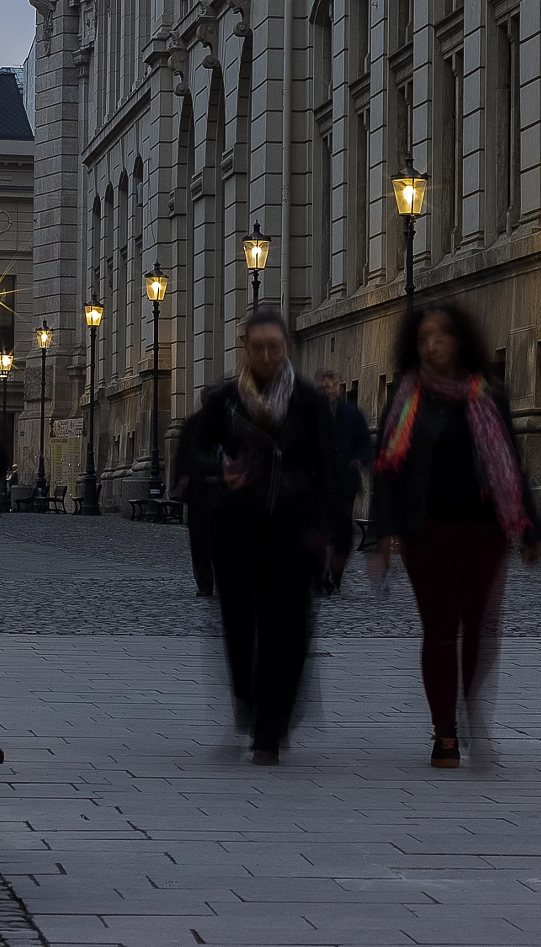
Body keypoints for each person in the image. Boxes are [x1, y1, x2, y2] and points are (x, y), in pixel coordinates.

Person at [366, 302, 541, 770]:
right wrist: (382, 536)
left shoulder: (488, 395)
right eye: (424, 337)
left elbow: (510, 464)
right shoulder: (405, 398)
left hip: (484, 529)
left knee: (481, 627)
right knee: (441, 629)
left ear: (460, 340)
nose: (432, 344)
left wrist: (531, 528)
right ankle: (444, 731)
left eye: (442, 335)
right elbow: (386, 470)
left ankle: (473, 713)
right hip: (427, 530)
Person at [189, 307, 349, 764]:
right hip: (235, 527)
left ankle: (271, 727)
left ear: (287, 348)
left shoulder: (309, 400)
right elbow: (195, 455)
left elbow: (329, 468)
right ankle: (247, 700)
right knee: (239, 622)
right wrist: (219, 468)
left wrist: (334, 532)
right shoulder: (225, 400)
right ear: (244, 348)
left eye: (273, 347)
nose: (265, 356)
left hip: (292, 527)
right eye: (257, 347)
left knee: (287, 627)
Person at [318, 370, 372, 592]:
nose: (327, 391)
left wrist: (359, 460)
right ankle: (319, 576)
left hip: (344, 482)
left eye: (330, 386)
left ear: (338, 388)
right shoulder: (312, 413)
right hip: (318, 483)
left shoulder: (351, 413)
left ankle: (335, 576)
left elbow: (364, 441)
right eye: (323, 387)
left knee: (341, 534)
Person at [172, 387, 216, 597]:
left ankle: (210, 582)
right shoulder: (193, 424)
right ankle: (205, 582)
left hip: (222, 494)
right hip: (200, 493)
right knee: (199, 542)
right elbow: (182, 457)